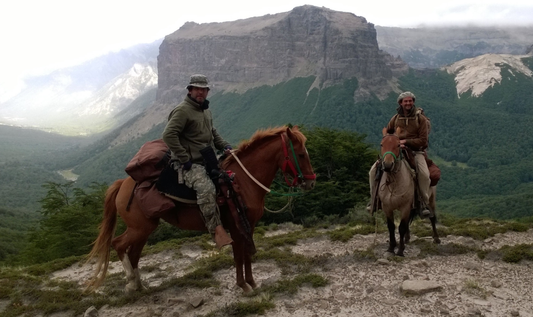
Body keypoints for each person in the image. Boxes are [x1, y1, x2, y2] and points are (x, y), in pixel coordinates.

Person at [162, 74, 233, 249]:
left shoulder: (205, 110)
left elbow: (212, 131)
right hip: (189, 164)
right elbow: (168, 135)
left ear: (207, 91)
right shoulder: (182, 110)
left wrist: (225, 146)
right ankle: (216, 230)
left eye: (203, 89)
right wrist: (184, 158)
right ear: (190, 90)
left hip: (206, 158)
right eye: (197, 89)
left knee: (232, 179)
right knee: (206, 188)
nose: (200, 92)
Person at [368, 91, 432, 217]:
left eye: (410, 101)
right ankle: (374, 200)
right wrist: (392, 142)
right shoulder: (395, 118)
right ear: (401, 103)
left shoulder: (421, 119)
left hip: (415, 151)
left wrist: (405, 141)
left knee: (424, 174)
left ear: (413, 102)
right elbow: (388, 134)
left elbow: (423, 140)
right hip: (396, 150)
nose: (408, 103)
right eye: (405, 101)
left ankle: (424, 203)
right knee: (373, 171)